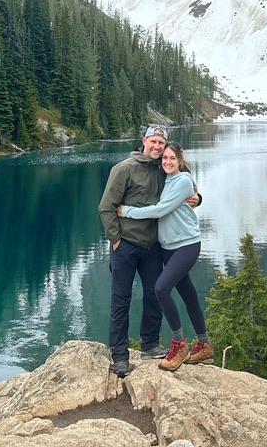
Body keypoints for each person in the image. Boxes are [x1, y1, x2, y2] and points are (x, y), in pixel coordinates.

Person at [97, 124, 199, 378]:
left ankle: (150, 345)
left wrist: (199, 198)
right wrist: (116, 239)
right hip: (126, 245)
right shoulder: (123, 169)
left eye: (161, 143)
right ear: (143, 141)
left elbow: (185, 189)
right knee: (121, 299)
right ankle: (119, 355)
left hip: (153, 246)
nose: (157, 147)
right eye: (152, 142)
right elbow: (106, 207)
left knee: (155, 296)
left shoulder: (164, 168)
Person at [118, 141, 213, 372]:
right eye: (165, 158)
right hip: (168, 247)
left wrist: (126, 211)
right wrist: (197, 198)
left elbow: (160, 209)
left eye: (172, 158)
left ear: (180, 160)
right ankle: (204, 346)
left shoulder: (182, 180)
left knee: (161, 289)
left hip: (186, 244)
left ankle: (179, 345)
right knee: (188, 294)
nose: (167, 161)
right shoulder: (165, 178)